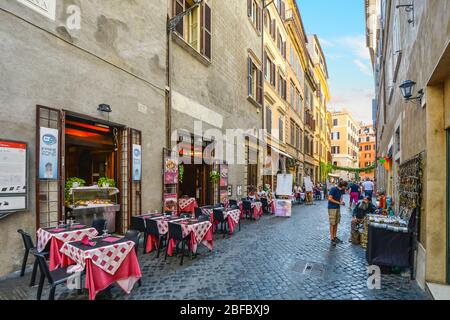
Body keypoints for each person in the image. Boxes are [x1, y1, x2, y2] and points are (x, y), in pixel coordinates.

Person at [328, 180, 348, 246]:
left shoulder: (342, 190)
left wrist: (341, 201)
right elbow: (330, 198)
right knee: (332, 223)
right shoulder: (333, 189)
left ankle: (335, 236)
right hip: (332, 207)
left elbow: (341, 196)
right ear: (342, 186)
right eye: (345, 187)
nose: (346, 188)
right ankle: (332, 238)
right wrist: (339, 203)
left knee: (336, 222)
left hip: (337, 207)